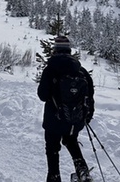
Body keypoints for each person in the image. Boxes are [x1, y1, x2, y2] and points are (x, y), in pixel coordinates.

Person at [37, 36, 95, 182]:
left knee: (52, 149)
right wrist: (87, 116)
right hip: (75, 118)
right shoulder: (80, 70)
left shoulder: (50, 70)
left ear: (55, 49)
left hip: (53, 119)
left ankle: (54, 177)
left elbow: (42, 95)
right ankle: (82, 170)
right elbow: (90, 95)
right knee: (71, 141)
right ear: (69, 50)